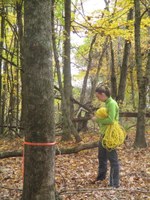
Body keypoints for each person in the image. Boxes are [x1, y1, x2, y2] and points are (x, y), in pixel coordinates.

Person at [92, 85, 120, 188]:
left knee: (113, 159)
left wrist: (97, 120)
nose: (97, 98)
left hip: (110, 136)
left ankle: (114, 183)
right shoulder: (107, 104)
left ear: (103, 94)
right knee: (101, 157)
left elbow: (111, 120)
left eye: (98, 96)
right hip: (103, 134)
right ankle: (100, 178)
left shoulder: (112, 104)